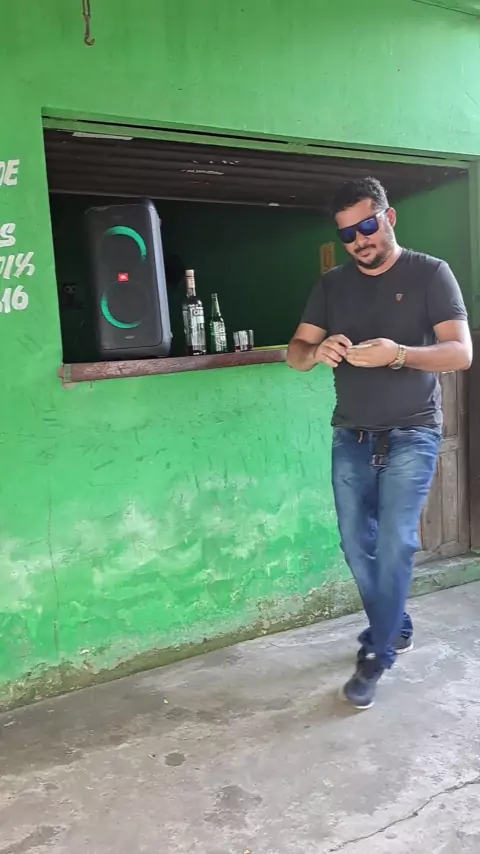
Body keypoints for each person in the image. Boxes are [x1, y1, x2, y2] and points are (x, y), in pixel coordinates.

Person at [287, 177, 472, 710]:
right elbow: (296, 352)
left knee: (395, 542)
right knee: (355, 544)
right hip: (351, 434)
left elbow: (460, 353)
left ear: (388, 218)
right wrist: (316, 350)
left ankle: (377, 651)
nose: (359, 240)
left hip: (414, 431)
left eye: (367, 226)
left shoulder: (430, 273)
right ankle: (396, 624)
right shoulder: (331, 285)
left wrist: (399, 354)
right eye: (347, 234)